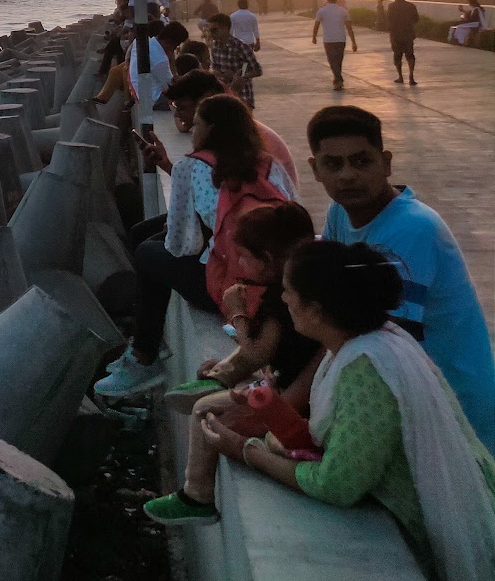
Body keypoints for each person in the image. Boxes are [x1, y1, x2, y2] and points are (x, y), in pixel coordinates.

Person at [200, 240, 495, 579]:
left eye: (289, 292)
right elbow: (342, 441)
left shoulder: (367, 369)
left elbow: (337, 484)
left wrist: (245, 451)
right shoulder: (360, 343)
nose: (283, 299)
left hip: (437, 525)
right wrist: (269, 417)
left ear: (315, 309)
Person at [307, 105, 495, 452]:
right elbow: (335, 314)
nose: (347, 175)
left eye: (361, 161)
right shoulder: (340, 212)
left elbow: (385, 346)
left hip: (453, 412)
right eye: (333, 164)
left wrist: (292, 404)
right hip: (410, 390)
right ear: (315, 169)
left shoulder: (412, 230)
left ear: (387, 163)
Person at [96, 94, 297, 397]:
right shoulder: (268, 164)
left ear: (211, 129)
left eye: (197, 125)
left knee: (148, 252)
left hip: (229, 288)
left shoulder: (191, 168)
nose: (191, 130)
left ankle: (144, 356)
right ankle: (143, 345)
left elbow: (182, 246)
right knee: (146, 238)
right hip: (274, 282)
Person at [144, 203, 320, 526]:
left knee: (204, 413)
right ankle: (218, 379)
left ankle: (196, 496)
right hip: (280, 383)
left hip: (287, 400)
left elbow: (256, 353)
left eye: (244, 257)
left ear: (267, 261)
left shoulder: (282, 302)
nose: (238, 263)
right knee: (218, 397)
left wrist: (236, 311)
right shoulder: (292, 291)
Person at [156, 71, 298, 185]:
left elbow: (217, 188)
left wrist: (174, 169)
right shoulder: (229, 124)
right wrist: (168, 166)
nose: (177, 114)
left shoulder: (230, 135)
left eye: (182, 108)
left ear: (205, 100)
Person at [207, 12, 262, 108]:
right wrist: (219, 74)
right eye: (210, 30)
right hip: (224, 95)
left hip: (242, 95)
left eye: (214, 30)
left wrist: (241, 76)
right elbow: (216, 68)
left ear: (225, 28)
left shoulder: (240, 46)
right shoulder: (215, 47)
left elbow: (256, 70)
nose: (212, 33)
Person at [312, 0, 358, 89]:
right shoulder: (343, 11)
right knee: (338, 60)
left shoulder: (322, 10)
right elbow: (349, 28)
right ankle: (338, 80)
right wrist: (353, 42)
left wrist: (314, 37)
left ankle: (338, 80)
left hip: (328, 40)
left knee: (332, 61)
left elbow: (316, 25)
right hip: (341, 39)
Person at [387, 0, 420, 85]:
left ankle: (400, 77)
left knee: (397, 56)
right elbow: (416, 19)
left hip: (396, 34)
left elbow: (389, 20)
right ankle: (411, 76)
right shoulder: (411, 6)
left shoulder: (391, 6)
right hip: (408, 34)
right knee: (410, 56)